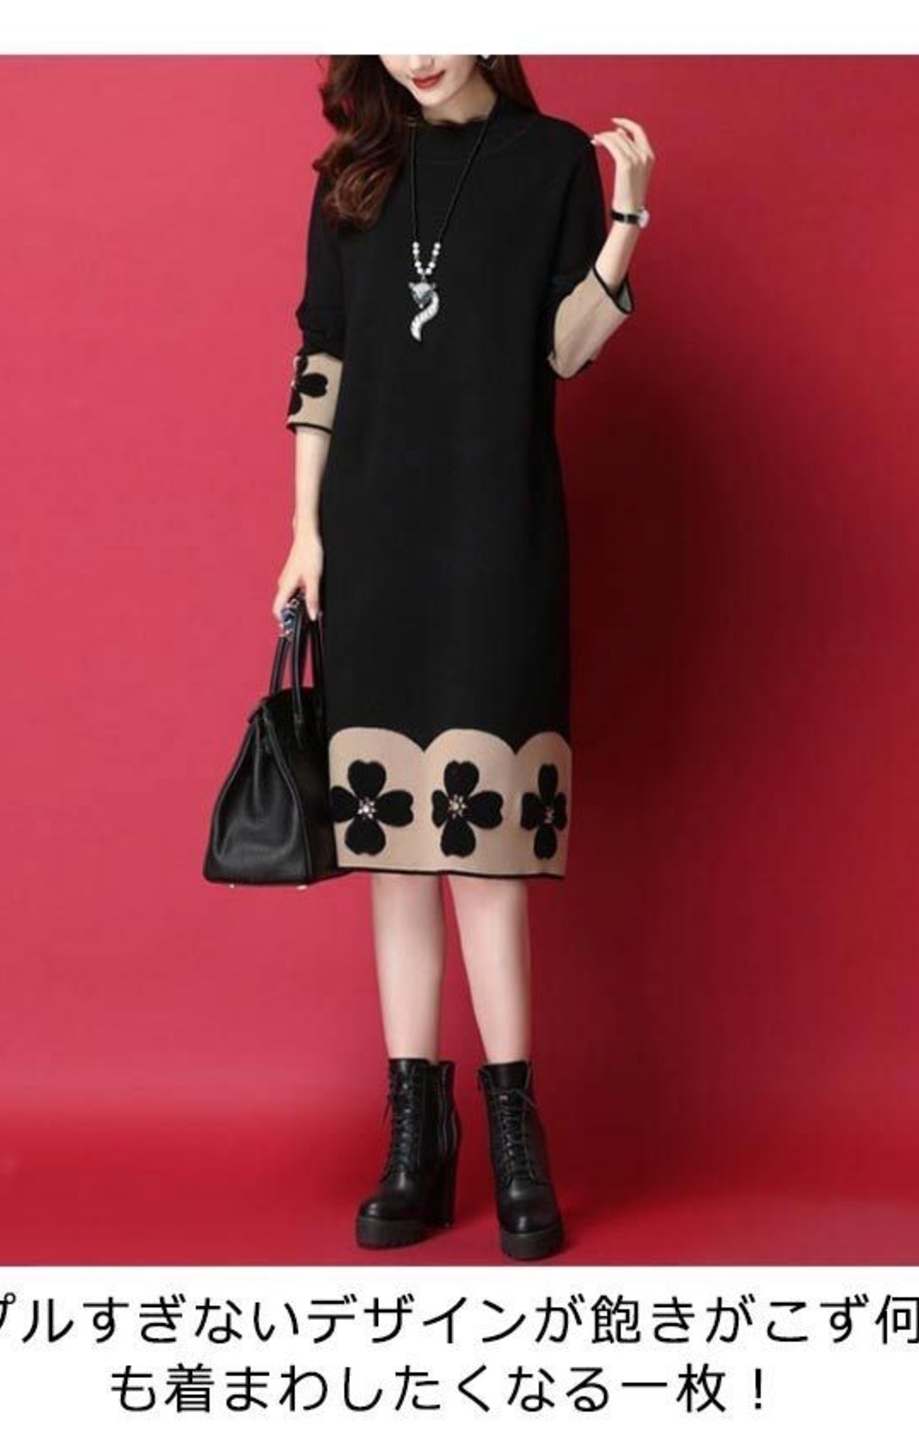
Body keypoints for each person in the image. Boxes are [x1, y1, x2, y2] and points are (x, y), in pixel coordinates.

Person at [271, 56, 653, 1260]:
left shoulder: (549, 163)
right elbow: (324, 354)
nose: (418, 50)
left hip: (497, 538)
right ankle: (414, 1141)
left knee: (483, 858)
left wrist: (627, 220)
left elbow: (565, 350)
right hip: (372, 543)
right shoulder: (352, 174)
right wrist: (305, 530)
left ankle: (514, 1139)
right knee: (393, 857)